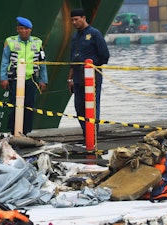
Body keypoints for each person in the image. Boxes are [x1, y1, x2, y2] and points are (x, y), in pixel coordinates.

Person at [67, 8, 110, 144]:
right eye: (72, 20)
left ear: (83, 18)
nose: (74, 22)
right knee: (79, 108)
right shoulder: (75, 37)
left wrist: (91, 66)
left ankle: (93, 136)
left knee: (92, 108)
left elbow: (105, 55)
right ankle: (87, 135)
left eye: (76, 19)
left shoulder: (94, 34)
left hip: (92, 78)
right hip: (78, 78)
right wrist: (70, 79)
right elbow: (73, 60)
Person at [0, 16, 48, 135]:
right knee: (14, 106)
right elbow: (5, 61)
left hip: (31, 79)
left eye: (26, 29)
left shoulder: (37, 42)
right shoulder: (10, 41)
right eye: (21, 28)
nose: (24, 31)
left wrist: (43, 80)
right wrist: (3, 78)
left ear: (30, 30)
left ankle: (26, 132)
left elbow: (42, 62)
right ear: (17, 29)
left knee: (29, 106)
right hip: (15, 79)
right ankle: (13, 131)